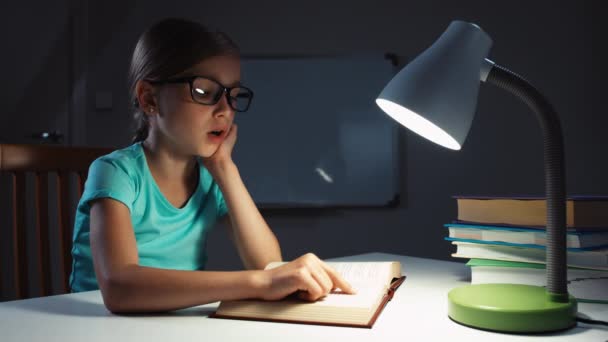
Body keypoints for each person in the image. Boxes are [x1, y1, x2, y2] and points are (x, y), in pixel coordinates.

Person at [69, 18, 355, 313]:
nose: (225, 110)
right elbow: (120, 288)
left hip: (172, 324)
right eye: (204, 92)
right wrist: (259, 282)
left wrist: (224, 168)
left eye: (233, 95)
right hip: (99, 325)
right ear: (149, 98)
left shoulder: (210, 178)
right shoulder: (116, 173)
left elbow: (268, 262)